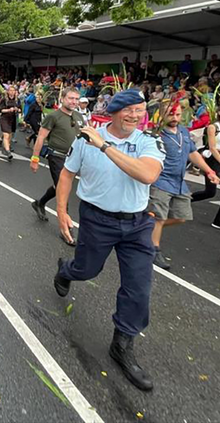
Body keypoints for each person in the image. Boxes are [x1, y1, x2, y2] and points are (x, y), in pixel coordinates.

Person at [53, 89, 165, 391]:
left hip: (138, 223)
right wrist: (62, 211)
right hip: (97, 219)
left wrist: (104, 147)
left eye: (140, 110)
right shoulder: (84, 140)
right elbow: (67, 174)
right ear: (113, 112)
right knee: (87, 270)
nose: (135, 115)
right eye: (128, 109)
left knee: (139, 287)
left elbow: (147, 175)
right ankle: (66, 270)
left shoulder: (147, 142)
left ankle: (122, 343)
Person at [147, 100, 220, 269]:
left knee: (181, 216)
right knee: (159, 217)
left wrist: (209, 171)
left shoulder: (183, 132)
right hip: (160, 180)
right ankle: (153, 250)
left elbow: (192, 153)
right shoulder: (155, 134)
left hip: (179, 182)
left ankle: (145, 228)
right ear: (162, 114)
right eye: (171, 114)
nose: (175, 117)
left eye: (178, 114)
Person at [30, 88, 84, 245]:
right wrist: (34, 158)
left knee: (58, 186)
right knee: (63, 189)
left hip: (73, 158)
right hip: (57, 156)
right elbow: (41, 137)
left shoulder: (79, 116)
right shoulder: (53, 116)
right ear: (62, 98)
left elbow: (84, 138)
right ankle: (65, 228)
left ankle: (39, 203)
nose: (74, 101)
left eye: (76, 99)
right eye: (70, 98)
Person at [190, 101, 220, 233]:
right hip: (215, 159)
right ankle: (184, 200)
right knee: (210, 192)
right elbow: (212, 148)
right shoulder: (213, 127)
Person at [0, 85, 20, 160]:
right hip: (5, 118)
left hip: (13, 119)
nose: (12, 92)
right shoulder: (4, 100)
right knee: (6, 135)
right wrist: (8, 110)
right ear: (8, 91)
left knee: (10, 135)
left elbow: (20, 109)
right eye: (10, 90)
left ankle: (5, 147)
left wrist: (17, 109)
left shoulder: (17, 100)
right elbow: (1, 110)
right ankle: (8, 152)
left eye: (13, 90)